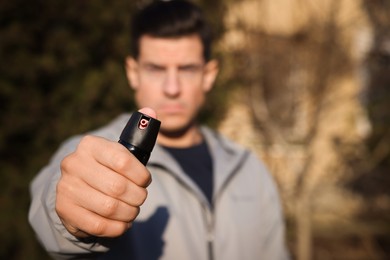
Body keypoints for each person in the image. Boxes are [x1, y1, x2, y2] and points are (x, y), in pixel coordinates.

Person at [29, 0, 289, 259]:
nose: (172, 88)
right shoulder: (95, 151)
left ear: (208, 75)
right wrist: (68, 216)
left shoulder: (248, 168)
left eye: (186, 69)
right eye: (156, 69)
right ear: (133, 73)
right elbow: (51, 204)